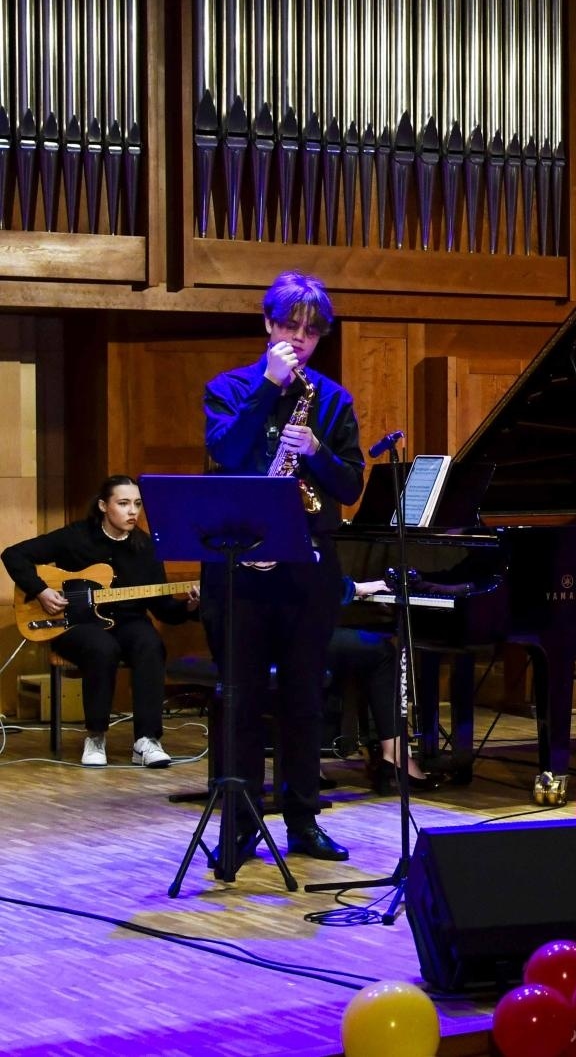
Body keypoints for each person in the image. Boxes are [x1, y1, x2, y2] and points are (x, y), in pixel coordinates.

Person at [201, 270, 363, 862]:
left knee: (304, 697)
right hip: (237, 568)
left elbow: (350, 487)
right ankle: (239, 828)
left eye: (311, 331)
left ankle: (303, 822)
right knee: (238, 697)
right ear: (268, 325)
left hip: (306, 567)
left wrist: (316, 451)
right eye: (290, 326)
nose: (299, 338)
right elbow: (227, 452)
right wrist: (269, 387)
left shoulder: (333, 398)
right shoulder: (228, 388)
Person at [2, 476, 200, 767]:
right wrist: (40, 590)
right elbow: (14, 554)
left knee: (150, 643)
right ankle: (95, 736)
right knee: (101, 647)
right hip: (75, 624)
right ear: (103, 506)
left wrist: (190, 605)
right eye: (123, 504)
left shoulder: (146, 548)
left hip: (129, 622)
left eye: (137, 504)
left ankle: (147, 740)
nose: (132, 511)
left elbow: (163, 609)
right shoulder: (76, 537)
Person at [328, 576, 442, 794]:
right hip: (289, 637)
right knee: (382, 653)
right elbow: (308, 576)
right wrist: (354, 587)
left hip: (272, 628)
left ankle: (301, 767)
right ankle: (396, 756)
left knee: (366, 649)